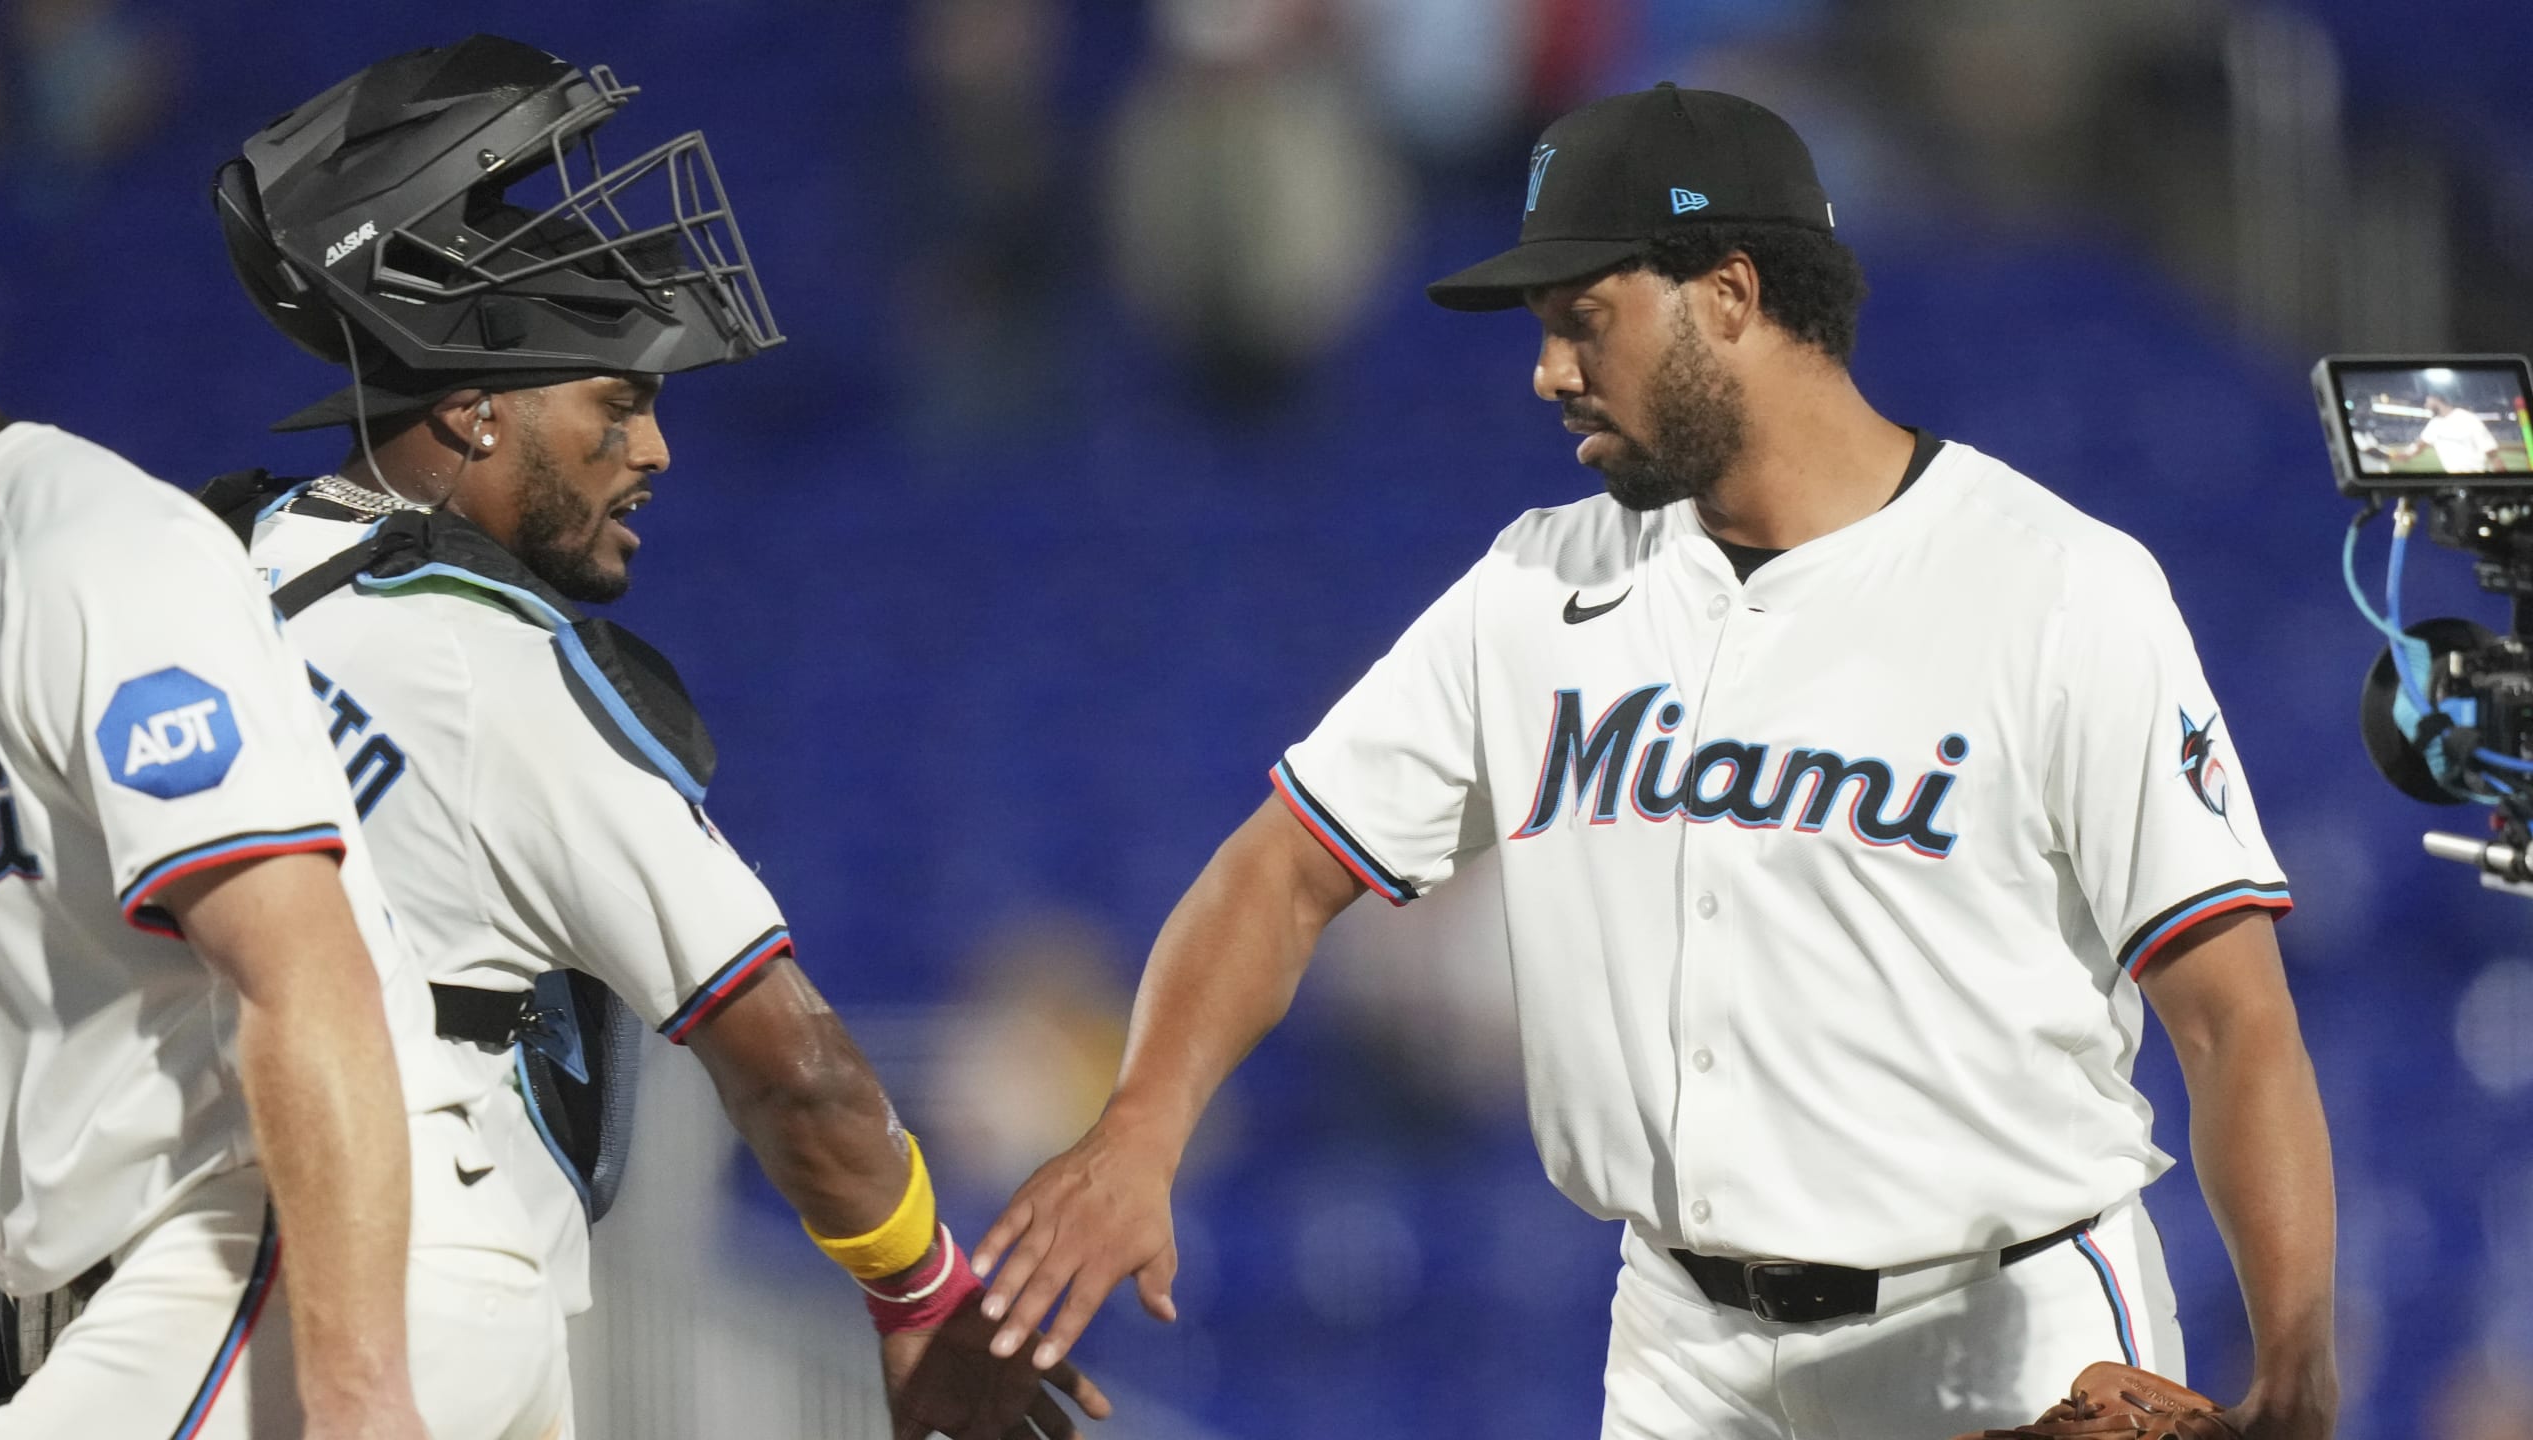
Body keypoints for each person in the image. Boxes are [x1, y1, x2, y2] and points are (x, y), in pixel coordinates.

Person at [970, 86, 2340, 1439]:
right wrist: (1139, 1127)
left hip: (2005, 1324)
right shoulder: (1535, 588)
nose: (1548, 369)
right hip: (1683, 1350)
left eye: (1584, 317)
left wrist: (2294, 1365)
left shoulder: (2056, 587)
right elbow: (1278, 872)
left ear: (1729, 296)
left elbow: (2231, 1018)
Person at [208, 36, 1106, 1440]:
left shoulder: (200, 572)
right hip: (418, 1285)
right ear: (473, 404)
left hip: (201, 1249)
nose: (654, 450)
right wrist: (923, 1294)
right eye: (615, 402)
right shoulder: (494, 667)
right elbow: (798, 1072)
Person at [0, 373, 566, 1437]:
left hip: (302, 1245)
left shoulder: (87, 546)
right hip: (236, 1272)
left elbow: (301, 969)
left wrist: (358, 1391)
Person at [2396, 394, 2501, 473]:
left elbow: (2490, 450)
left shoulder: (2467, 418)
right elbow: (2421, 444)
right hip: (2452, 476)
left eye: (2428, 402)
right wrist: (2407, 454)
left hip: (2473, 475)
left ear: (2436, 400)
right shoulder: (2434, 423)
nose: (2426, 405)